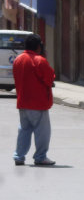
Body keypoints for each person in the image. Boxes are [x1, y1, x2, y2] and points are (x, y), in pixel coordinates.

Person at [12, 34, 56, 166]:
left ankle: (19, 156)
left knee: (24, 130)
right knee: (42, 132)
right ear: (38, 46)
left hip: (23, 101)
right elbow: (50, 77)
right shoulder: (39, 60)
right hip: (38, 103)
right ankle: (40, 156)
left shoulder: (18, 59)